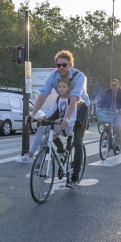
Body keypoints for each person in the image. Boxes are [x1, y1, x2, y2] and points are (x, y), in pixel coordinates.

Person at [29, 50, 90, 188]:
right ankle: (61, 150)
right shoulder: (54, 75)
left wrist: (67, 119)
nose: (61, 68)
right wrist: (33, 114)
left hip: (80, 108)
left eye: (64, 65)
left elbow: (74, 98)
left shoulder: (78, 76)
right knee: (47, 125)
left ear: (70, 64)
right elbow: (44, 94)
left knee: (78, 142)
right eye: (58, 65)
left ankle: (75, 177)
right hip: (62, 104)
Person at [15, 76, 76, 167]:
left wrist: (62, 120)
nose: (61, 89)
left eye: (64, 86)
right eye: (59, 87)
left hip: (67, 127)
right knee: (43, 141)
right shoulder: (58, 99)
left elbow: (73, 117)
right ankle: (37, 168)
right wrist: (43, 117)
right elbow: (51, 110)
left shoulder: (71, 99)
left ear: (69, 88)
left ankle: (29, 155)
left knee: (40, 130)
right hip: (59, 127)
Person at [98, 79, 121, 152]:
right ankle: (107, 140)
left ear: (118, 85)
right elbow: (103, 101)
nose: (113, 86)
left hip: (118, 113)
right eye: (111, 85)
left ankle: (117, 144)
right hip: (109, 112)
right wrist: (99, 108)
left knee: (117, 127)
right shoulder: (107, 92)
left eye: (114, 85)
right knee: (106, 126)